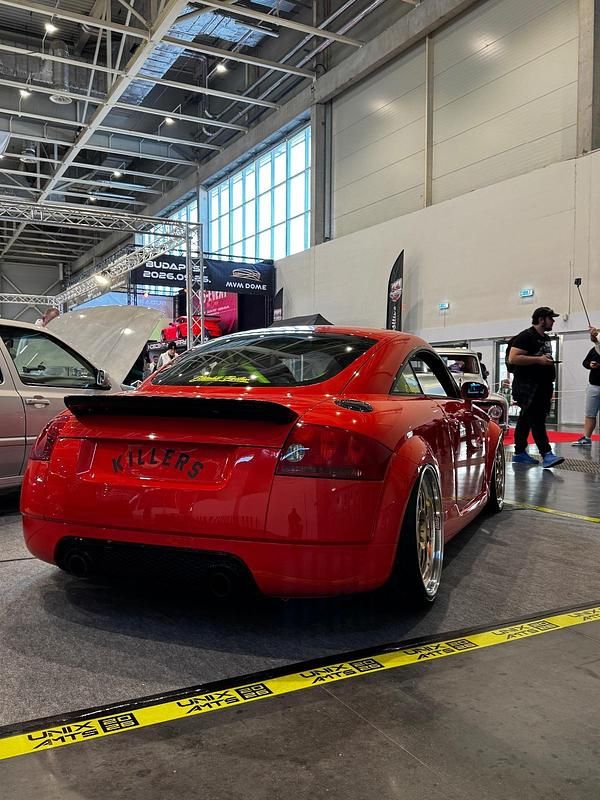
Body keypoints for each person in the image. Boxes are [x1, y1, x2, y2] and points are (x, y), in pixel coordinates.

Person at [508, 307, 564, 468]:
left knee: (525, 419)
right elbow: (513, 358)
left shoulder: (545, 338)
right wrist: (539, 360)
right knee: (536, 418)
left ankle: (519, 453)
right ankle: (546, 453)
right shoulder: (526, 336)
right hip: (527, 386)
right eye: (551, 318)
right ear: (541, 319)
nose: (553, 321)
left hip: (543, 385)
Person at [572, 326, 600, 446]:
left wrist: (595, 339)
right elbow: (585, 362)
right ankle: (587, 438)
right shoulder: (593, 350)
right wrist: (590, 365)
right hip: (593, 386)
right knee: (590, 414)